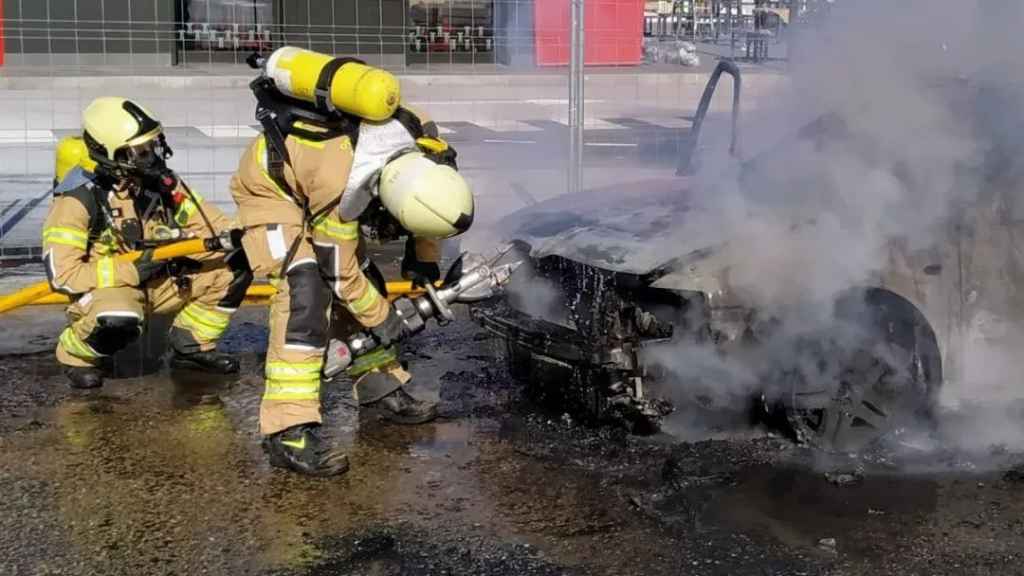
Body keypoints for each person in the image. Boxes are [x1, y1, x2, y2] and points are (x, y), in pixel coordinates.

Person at [231, 47, 473, 476]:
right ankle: (287, 430)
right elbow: (338, 272)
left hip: (316, 182)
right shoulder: (343, 182)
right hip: (271, 194)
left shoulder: (423, 143)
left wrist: (424, 260)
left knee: (368, 282)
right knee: (305, 293)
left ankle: (380, 387)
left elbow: (428, 208)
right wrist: (383, 319)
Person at [42, 98, 253, 390]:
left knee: (236, 263)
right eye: (141, 151)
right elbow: (63, 276)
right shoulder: (78, 201)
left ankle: (192, 345)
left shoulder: (159, 185)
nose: (152, 157)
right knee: (118, 320)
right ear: (112, 153)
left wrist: (246, 234)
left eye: (153, 145)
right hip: (110, 290)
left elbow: (210, 223)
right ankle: (76, 356)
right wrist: (130, 270)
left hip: (160, 280)